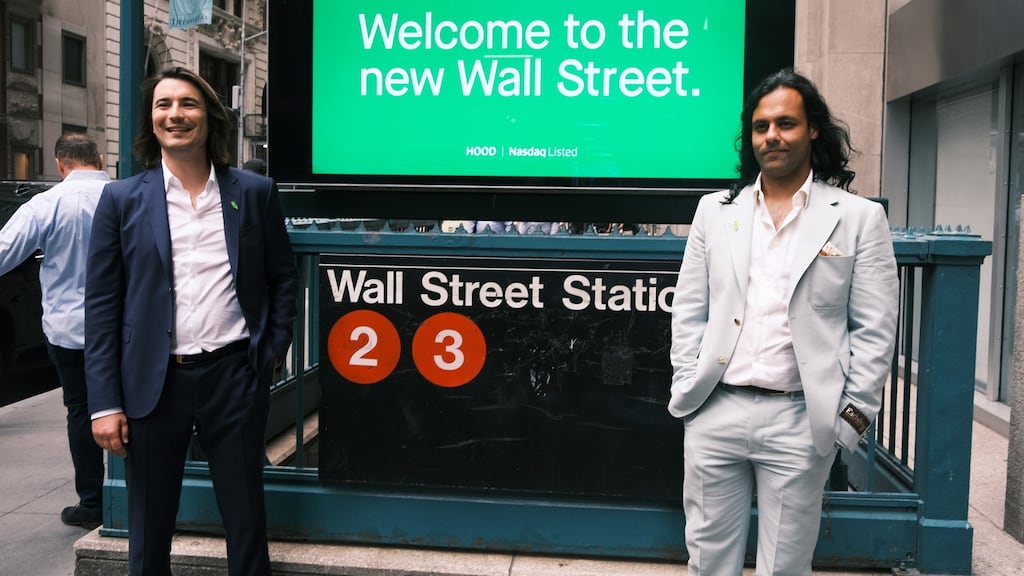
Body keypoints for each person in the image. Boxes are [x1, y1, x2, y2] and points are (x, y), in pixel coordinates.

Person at [668, 68, 899, 575]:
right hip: (714, 409)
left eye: (786, 123)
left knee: (787, 567)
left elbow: (876, 330)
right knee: (706, 562)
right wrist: (687, 385)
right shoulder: (714, 211)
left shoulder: (859, 218)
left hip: (802, 421)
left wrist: (848, 424)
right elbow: (690, 307)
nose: (771, 136)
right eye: (761, 126)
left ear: (813, 129)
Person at [85, 67, 297, 576]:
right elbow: (102, 305)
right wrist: (104, 403)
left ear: (209, 116)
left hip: (234, 376)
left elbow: (283, 279)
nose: (175, 114)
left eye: (188, 104)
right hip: (153, 384)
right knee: (150, 522)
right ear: (150, 120)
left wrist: (268, 352)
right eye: (163, 105)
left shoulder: (254, 192)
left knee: (246, 516)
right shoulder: (120, 199)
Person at [0, 133, 109, 529]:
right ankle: (136, 493)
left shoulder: (45, 204)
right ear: (98, 158)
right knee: (134, 407)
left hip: (69, 331)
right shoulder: (127, 197)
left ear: (61, 164)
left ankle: (93, 503)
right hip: (124, 329)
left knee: (81, 412)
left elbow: (2, 253)